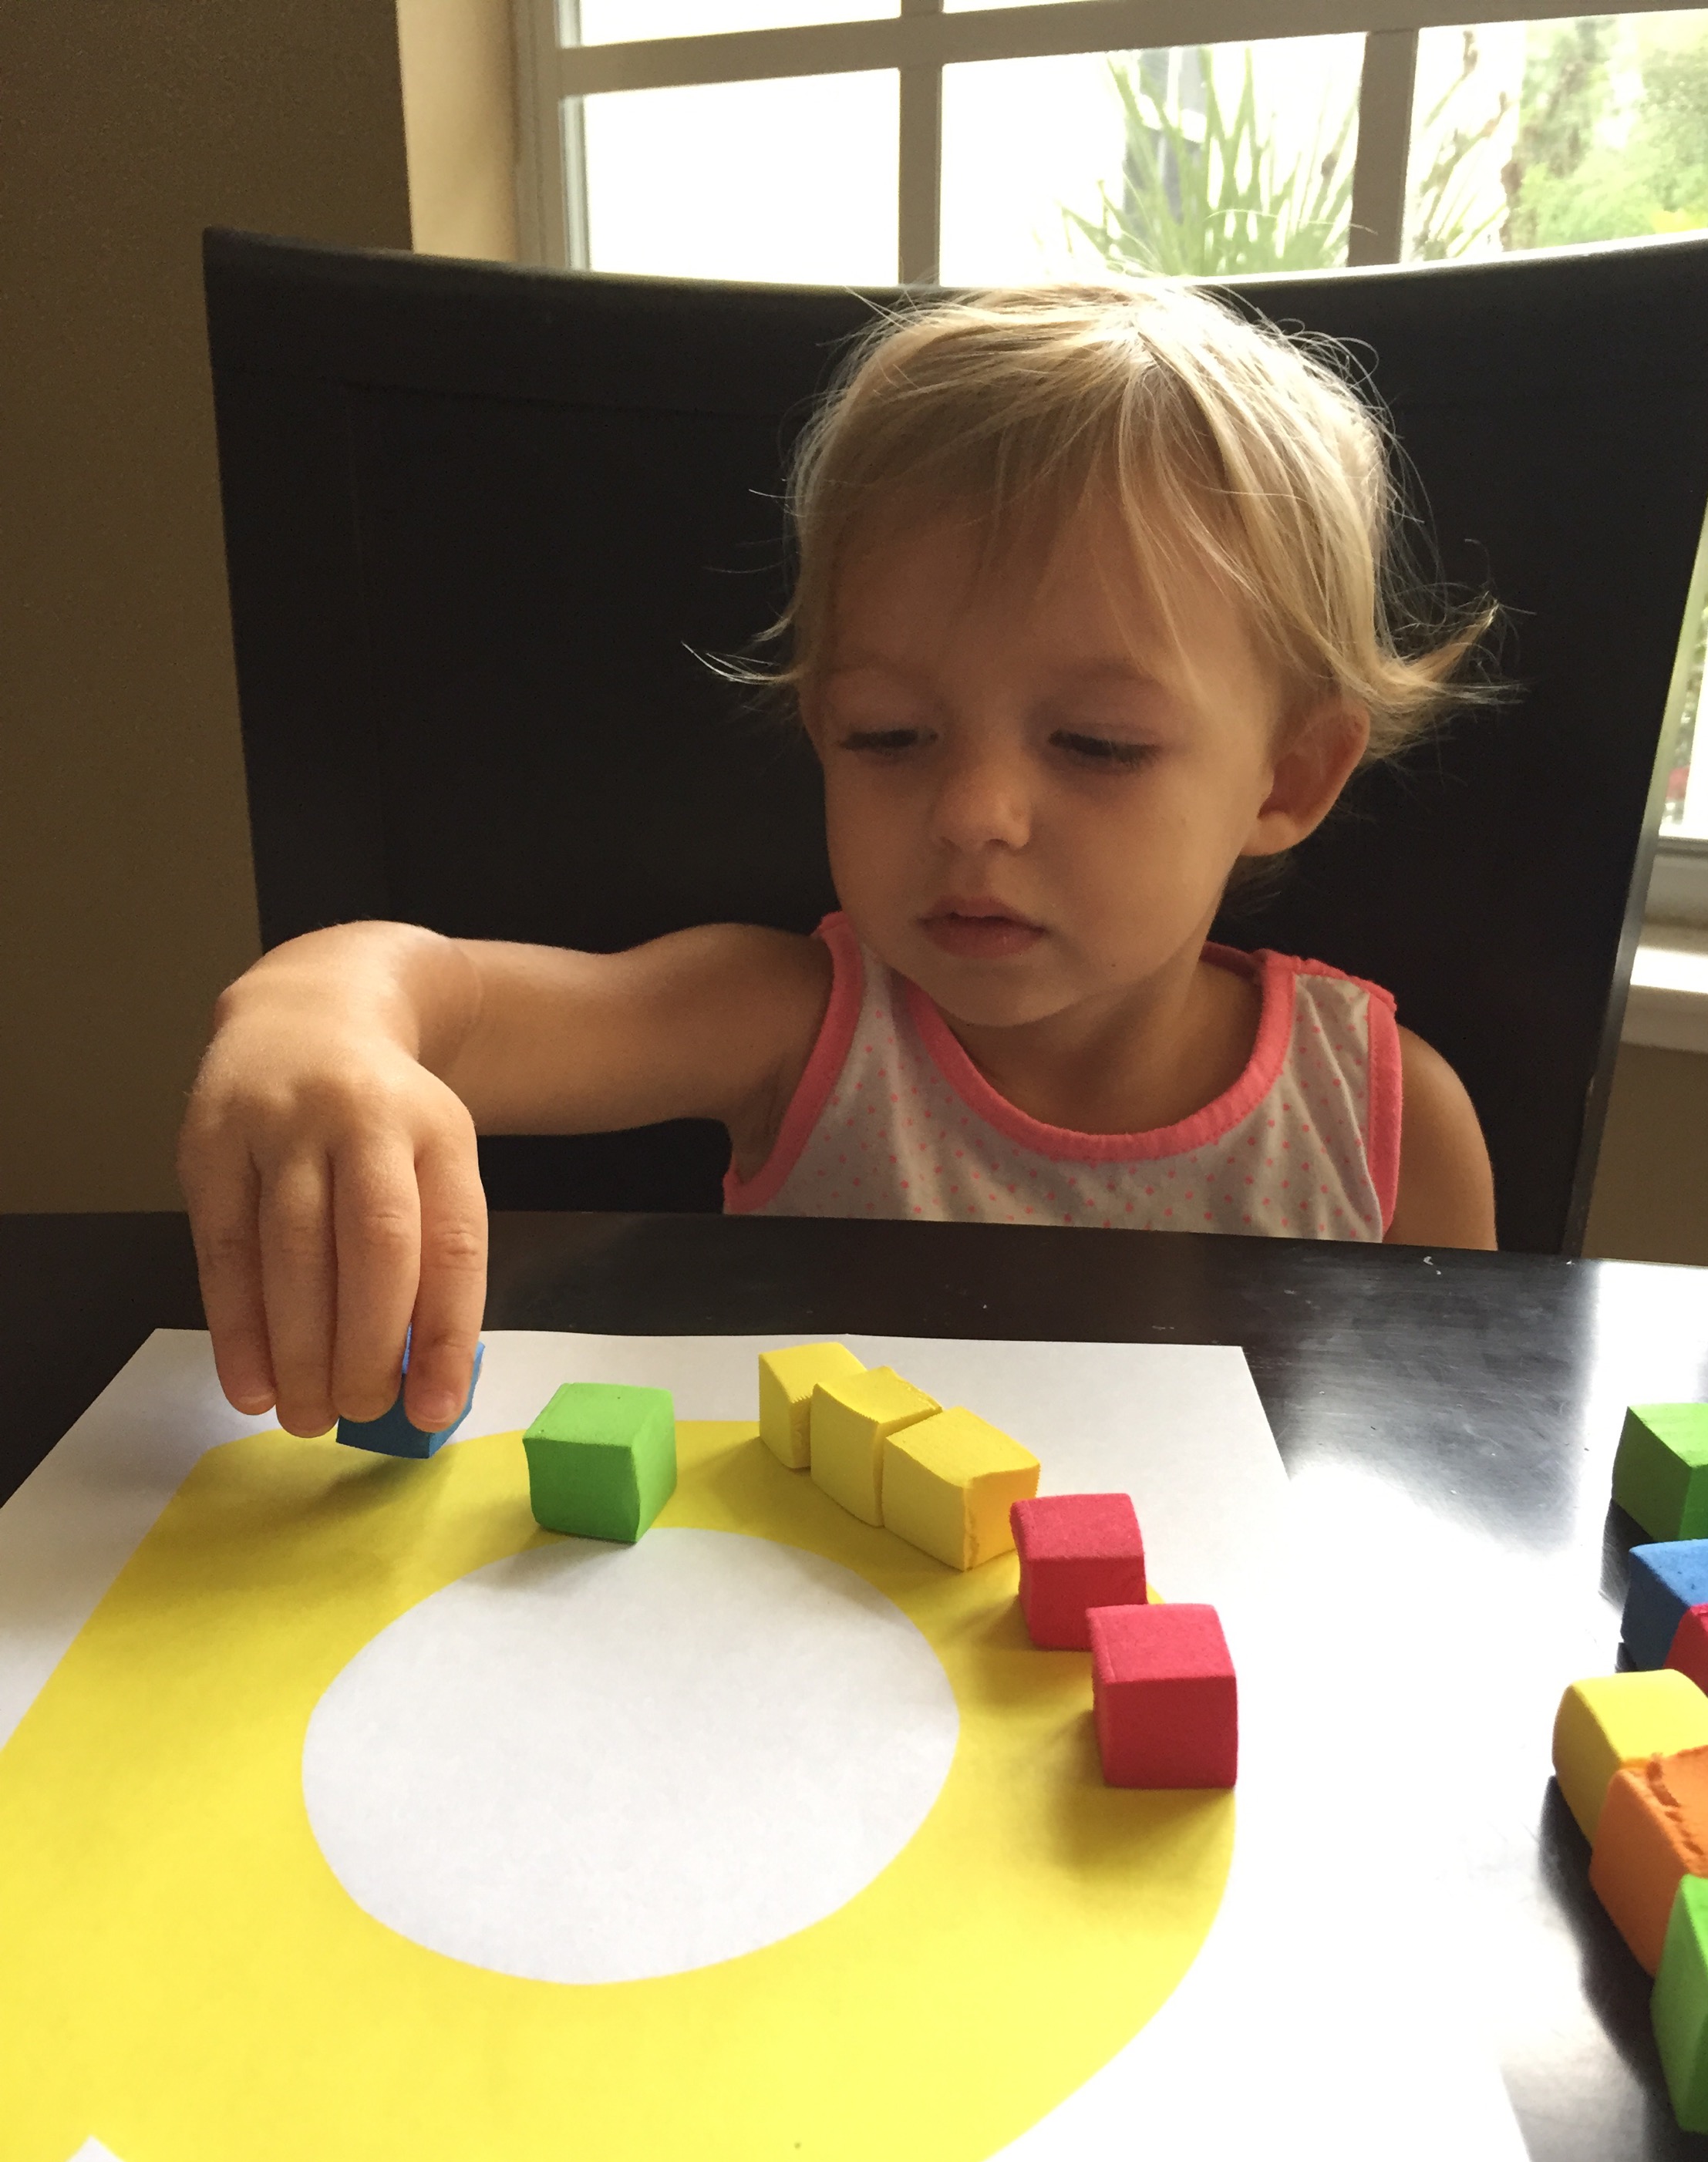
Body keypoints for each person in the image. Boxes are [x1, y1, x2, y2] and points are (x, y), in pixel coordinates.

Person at [179, 278, 1508, 1444]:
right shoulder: (792, 1030)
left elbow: (1453, 1452)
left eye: (1096, 745)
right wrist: (317, 1013)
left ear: (1286, 779)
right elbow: (450, 1008)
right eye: (889, 735)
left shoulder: (1383, 1121)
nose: (973, 813)